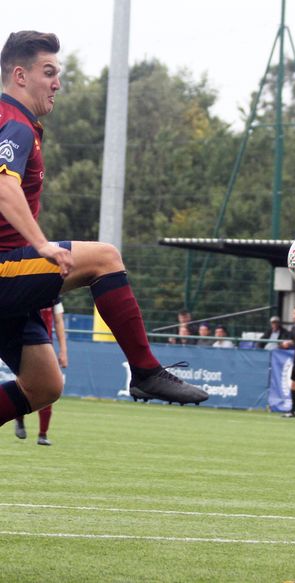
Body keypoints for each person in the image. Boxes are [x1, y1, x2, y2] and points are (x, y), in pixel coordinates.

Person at [0, 30, 208, 427]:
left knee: (44, 385)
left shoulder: (13, 122)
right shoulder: (16, 125)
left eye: (58, 73)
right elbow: (4, 187)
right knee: (105, 258)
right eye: (49, 72)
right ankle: (145, 371)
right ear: (20, 76)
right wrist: (42, 244)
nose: (58, 83)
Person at [14, 297, 67, 445]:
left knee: (49, 389)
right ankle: (19, 418)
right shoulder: (27, 292)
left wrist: (63, 351)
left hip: (45, 345)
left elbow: (59, 321)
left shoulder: (54, 297)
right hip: (24, 344)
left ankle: (42, 434)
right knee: (23, 386)